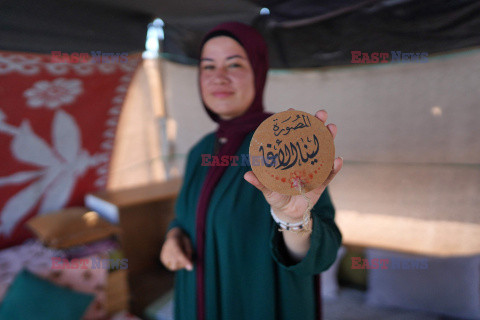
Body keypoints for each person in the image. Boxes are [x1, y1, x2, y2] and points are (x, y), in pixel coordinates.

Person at [159, 21, 343, 320]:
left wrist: (294, 221)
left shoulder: (284, 143)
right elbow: (186, 217)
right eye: (208, 67)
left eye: (234, 64)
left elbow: (319, 255)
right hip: (196, 302)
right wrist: (174, 236)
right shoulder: (200, 151)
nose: (218, 77)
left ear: (258, 72)